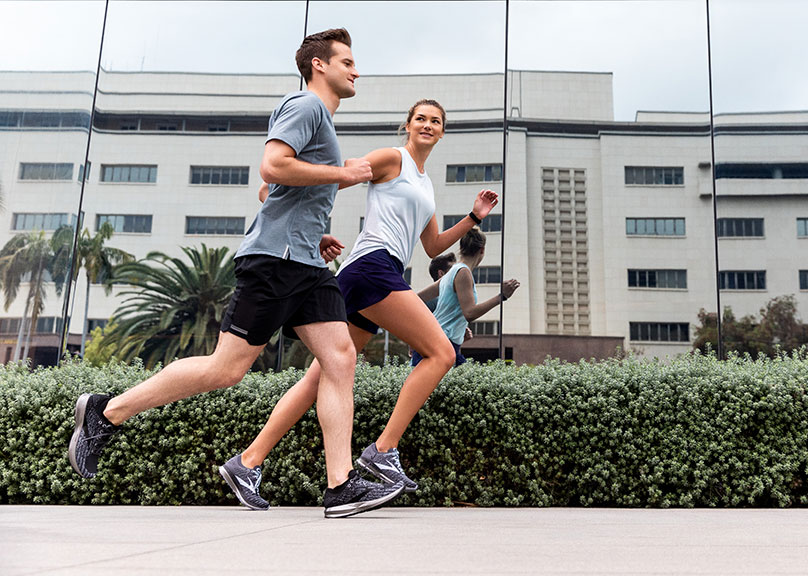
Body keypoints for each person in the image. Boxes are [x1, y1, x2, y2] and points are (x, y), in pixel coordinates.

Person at [68, 28, 405, 519]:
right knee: (226, 369)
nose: (356, 70)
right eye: (347, 61)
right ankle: (107, 412)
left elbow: (270, 195)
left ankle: (341, 484)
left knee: (340, 358)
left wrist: (315, 233)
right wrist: (341, 175)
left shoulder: (321, 123)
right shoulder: (305, 106)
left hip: (306, 262)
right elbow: (272, 166)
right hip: (275, 262)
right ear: (319, 66)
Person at [223, 98, 499, 508]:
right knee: (441, 351)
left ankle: (246, 462)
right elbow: (339, 176)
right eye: (420, 118)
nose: (427, 125)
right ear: (408, 125)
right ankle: (383, 451)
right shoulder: (391, 158)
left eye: (435, 121)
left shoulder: (425, 182)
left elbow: (433, 246)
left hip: (371, 273)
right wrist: (277, 191)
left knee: (319, 379)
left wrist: (473, 218)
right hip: (372, 267)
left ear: (442, 132)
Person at [412, 228, 519, 367]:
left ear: (461, 248)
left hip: (435, 342)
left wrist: (415, 335)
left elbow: (415, 300)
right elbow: (469, 313)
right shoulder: (463, 273)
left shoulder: (451, 273)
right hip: (441, 345)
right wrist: (502, 296)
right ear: (482, 251)